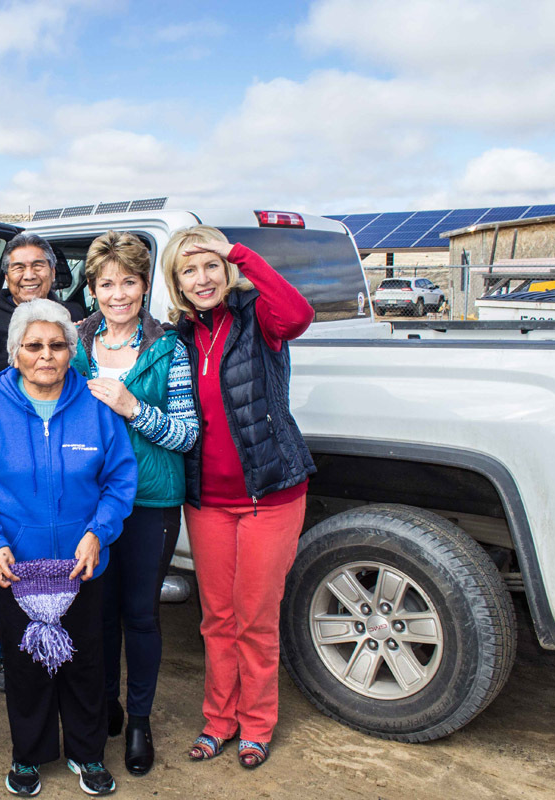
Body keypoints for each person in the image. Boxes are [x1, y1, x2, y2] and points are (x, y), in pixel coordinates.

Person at [0, 298, 137, 797]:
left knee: (85, 663)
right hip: (18, 567)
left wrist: (98, 532)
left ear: (71, 351)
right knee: (26, 666)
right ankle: (28, 756)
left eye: (57, 345)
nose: (46, 355)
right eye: (34, 346)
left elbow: (120, 479)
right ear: (16, 353)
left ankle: (87, 752)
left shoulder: (96, 406)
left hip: (82, 565)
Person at [162, 225, 315, 769]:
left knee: (255, 618)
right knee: (217, 618)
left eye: (211, 266)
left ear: (227, 269)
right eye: (189, 269)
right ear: (177, 282)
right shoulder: (179, 337)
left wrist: (238, 252)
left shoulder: (258, 317)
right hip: (207, 501)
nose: (202, 279)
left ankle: (256, 724)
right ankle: (218, 721)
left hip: (268, 495)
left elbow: (298, 314)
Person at [70, 231, 199, 776]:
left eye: (128, 282)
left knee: (140, 614)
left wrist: (132, 407)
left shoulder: (169, 348)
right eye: (106, 284)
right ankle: (105, 706)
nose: (117, 294)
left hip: (149, 499)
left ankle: (140, 720)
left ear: (145, 286)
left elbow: (187, 434)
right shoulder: (75, 342)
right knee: (96, 611)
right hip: (88, 500)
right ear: (92, 289)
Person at [0, 233, 84, 693]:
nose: (28, 275)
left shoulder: (75, 318)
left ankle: (59, 645)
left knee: (62, 570)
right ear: (6, 274)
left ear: (53, 271)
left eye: (38, 265)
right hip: (4, 471)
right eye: (18, 266)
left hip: (62, 465)